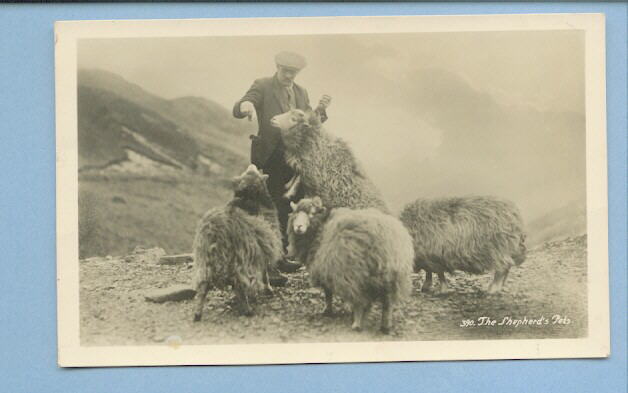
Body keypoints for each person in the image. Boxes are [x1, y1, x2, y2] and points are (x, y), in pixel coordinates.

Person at [233, 51, 331, 280]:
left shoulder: (300, 92)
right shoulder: (263, 85)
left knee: (289, 205)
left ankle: (281, 256)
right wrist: (246, 106)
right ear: (277, 67)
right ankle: (268, 265)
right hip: (269, 158)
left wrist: (321, 109)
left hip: (293, 158)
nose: (289, 75)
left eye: (293, 72)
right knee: (269, 208)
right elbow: (244, 103)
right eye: (285, 70)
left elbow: (307, 121)